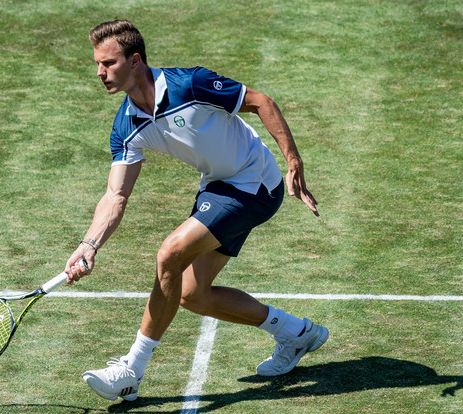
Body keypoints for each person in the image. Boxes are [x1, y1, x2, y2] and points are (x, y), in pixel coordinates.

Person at [64, 20, 328, 402]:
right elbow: (115, 196)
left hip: (255, 182)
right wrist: (90, 244)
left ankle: (131, 370)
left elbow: (260, 102)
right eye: (97, 64)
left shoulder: (189, 85)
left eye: (108, 63)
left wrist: (293, 161)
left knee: (170, 253)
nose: (100, 73)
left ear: (135, 60)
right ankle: (296, 332)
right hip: (219, 186)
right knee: (191, 294)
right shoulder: (126, 126)